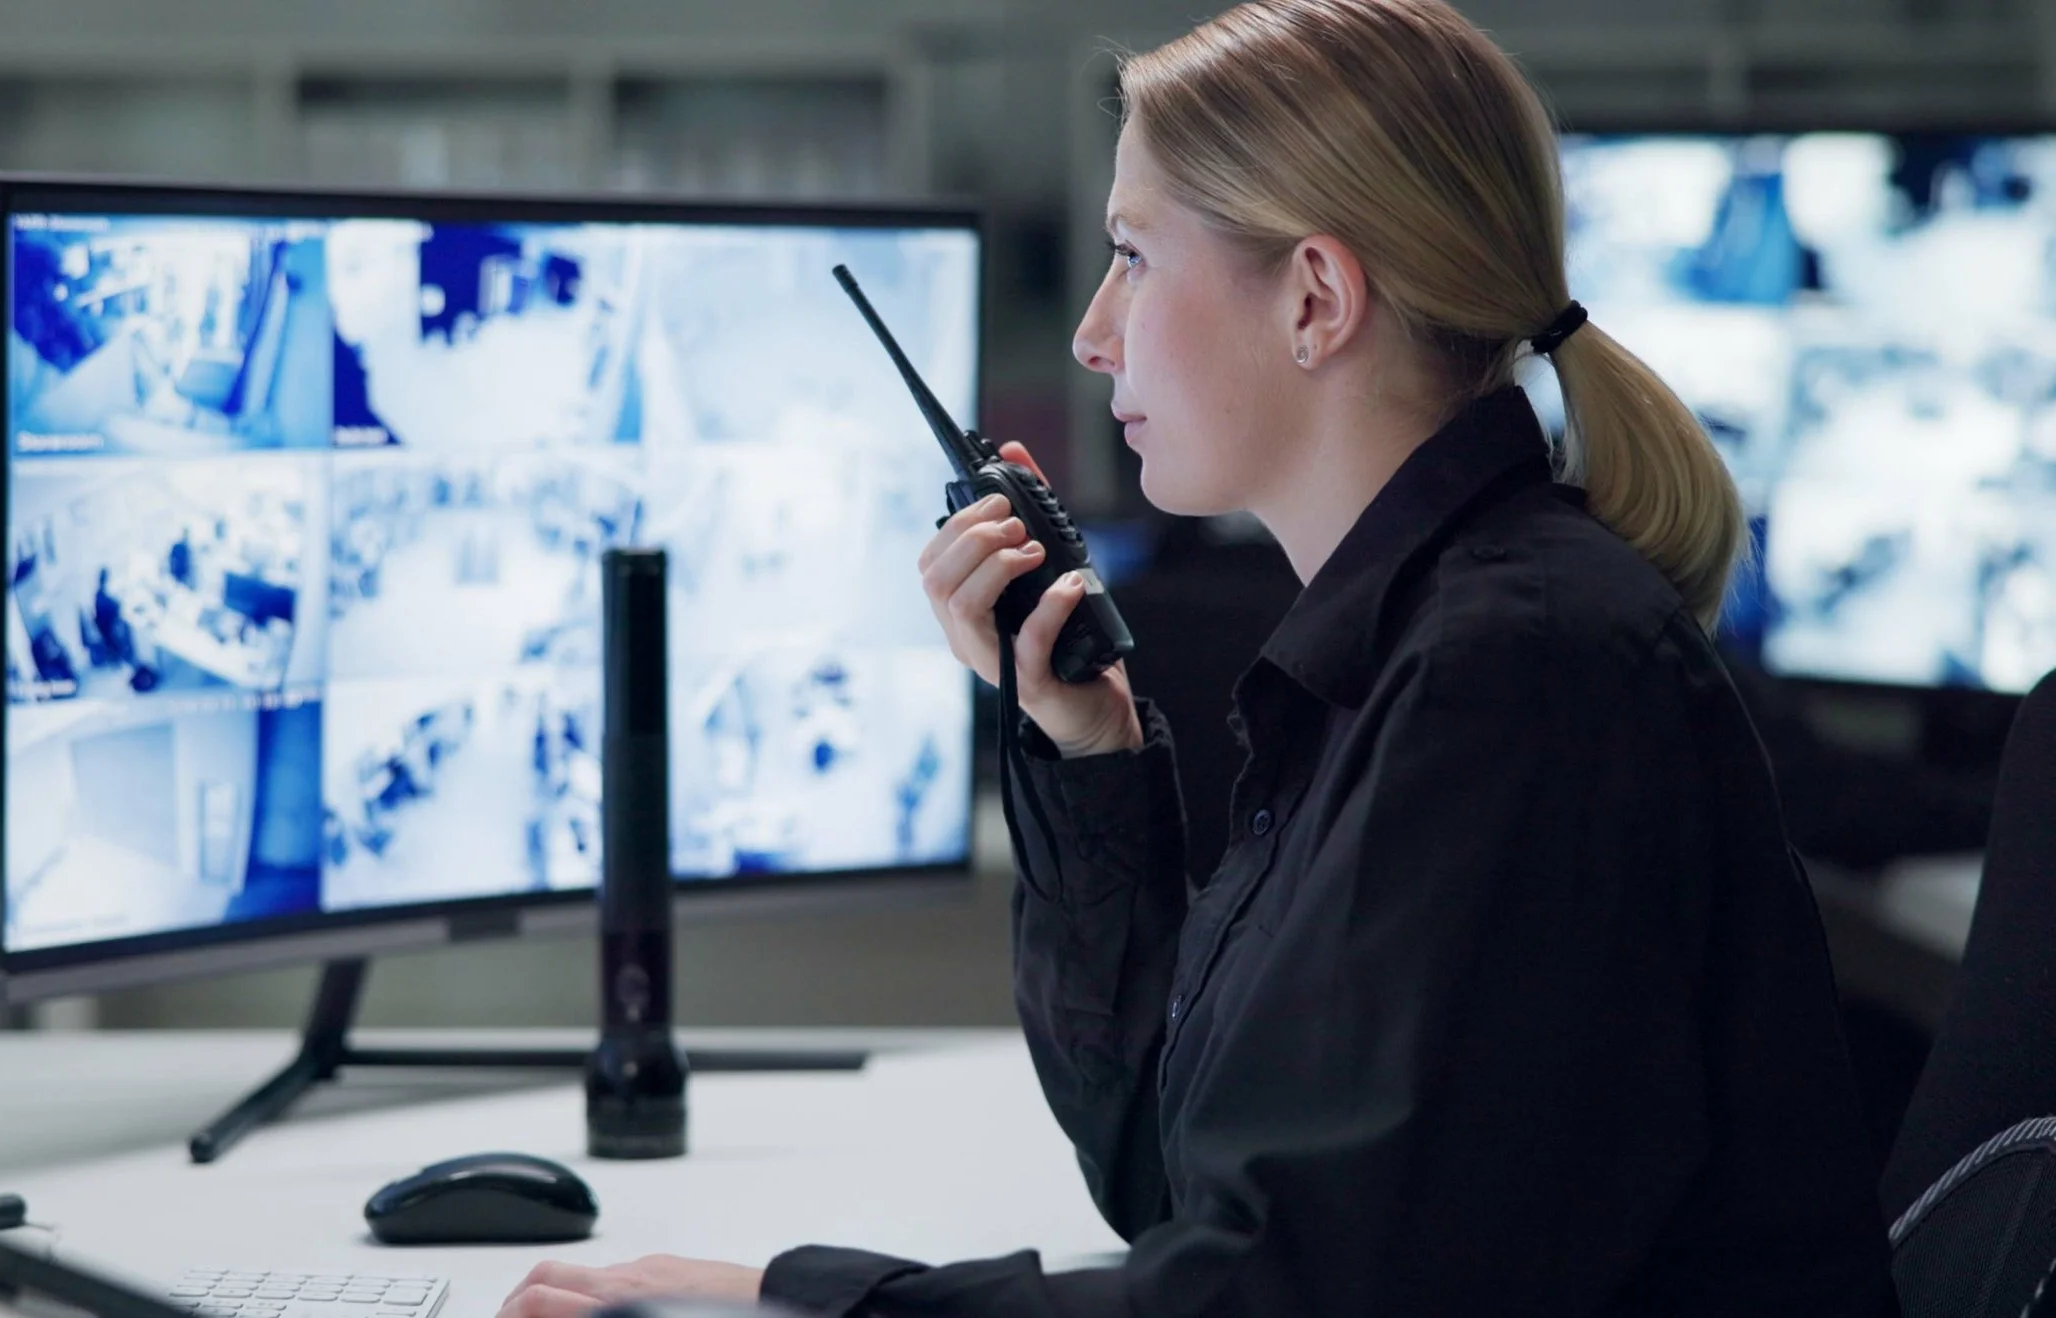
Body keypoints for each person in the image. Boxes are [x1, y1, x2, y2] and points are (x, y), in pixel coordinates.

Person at [496, 0, 1899, 1313]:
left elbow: (1287, 1291)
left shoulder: (1512, 673)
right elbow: (1186, 1178)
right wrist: (1088, 753)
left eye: (1134, 255)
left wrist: (806, 1292)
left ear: (1313, 300)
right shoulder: (1407, 648)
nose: (1092, 339)